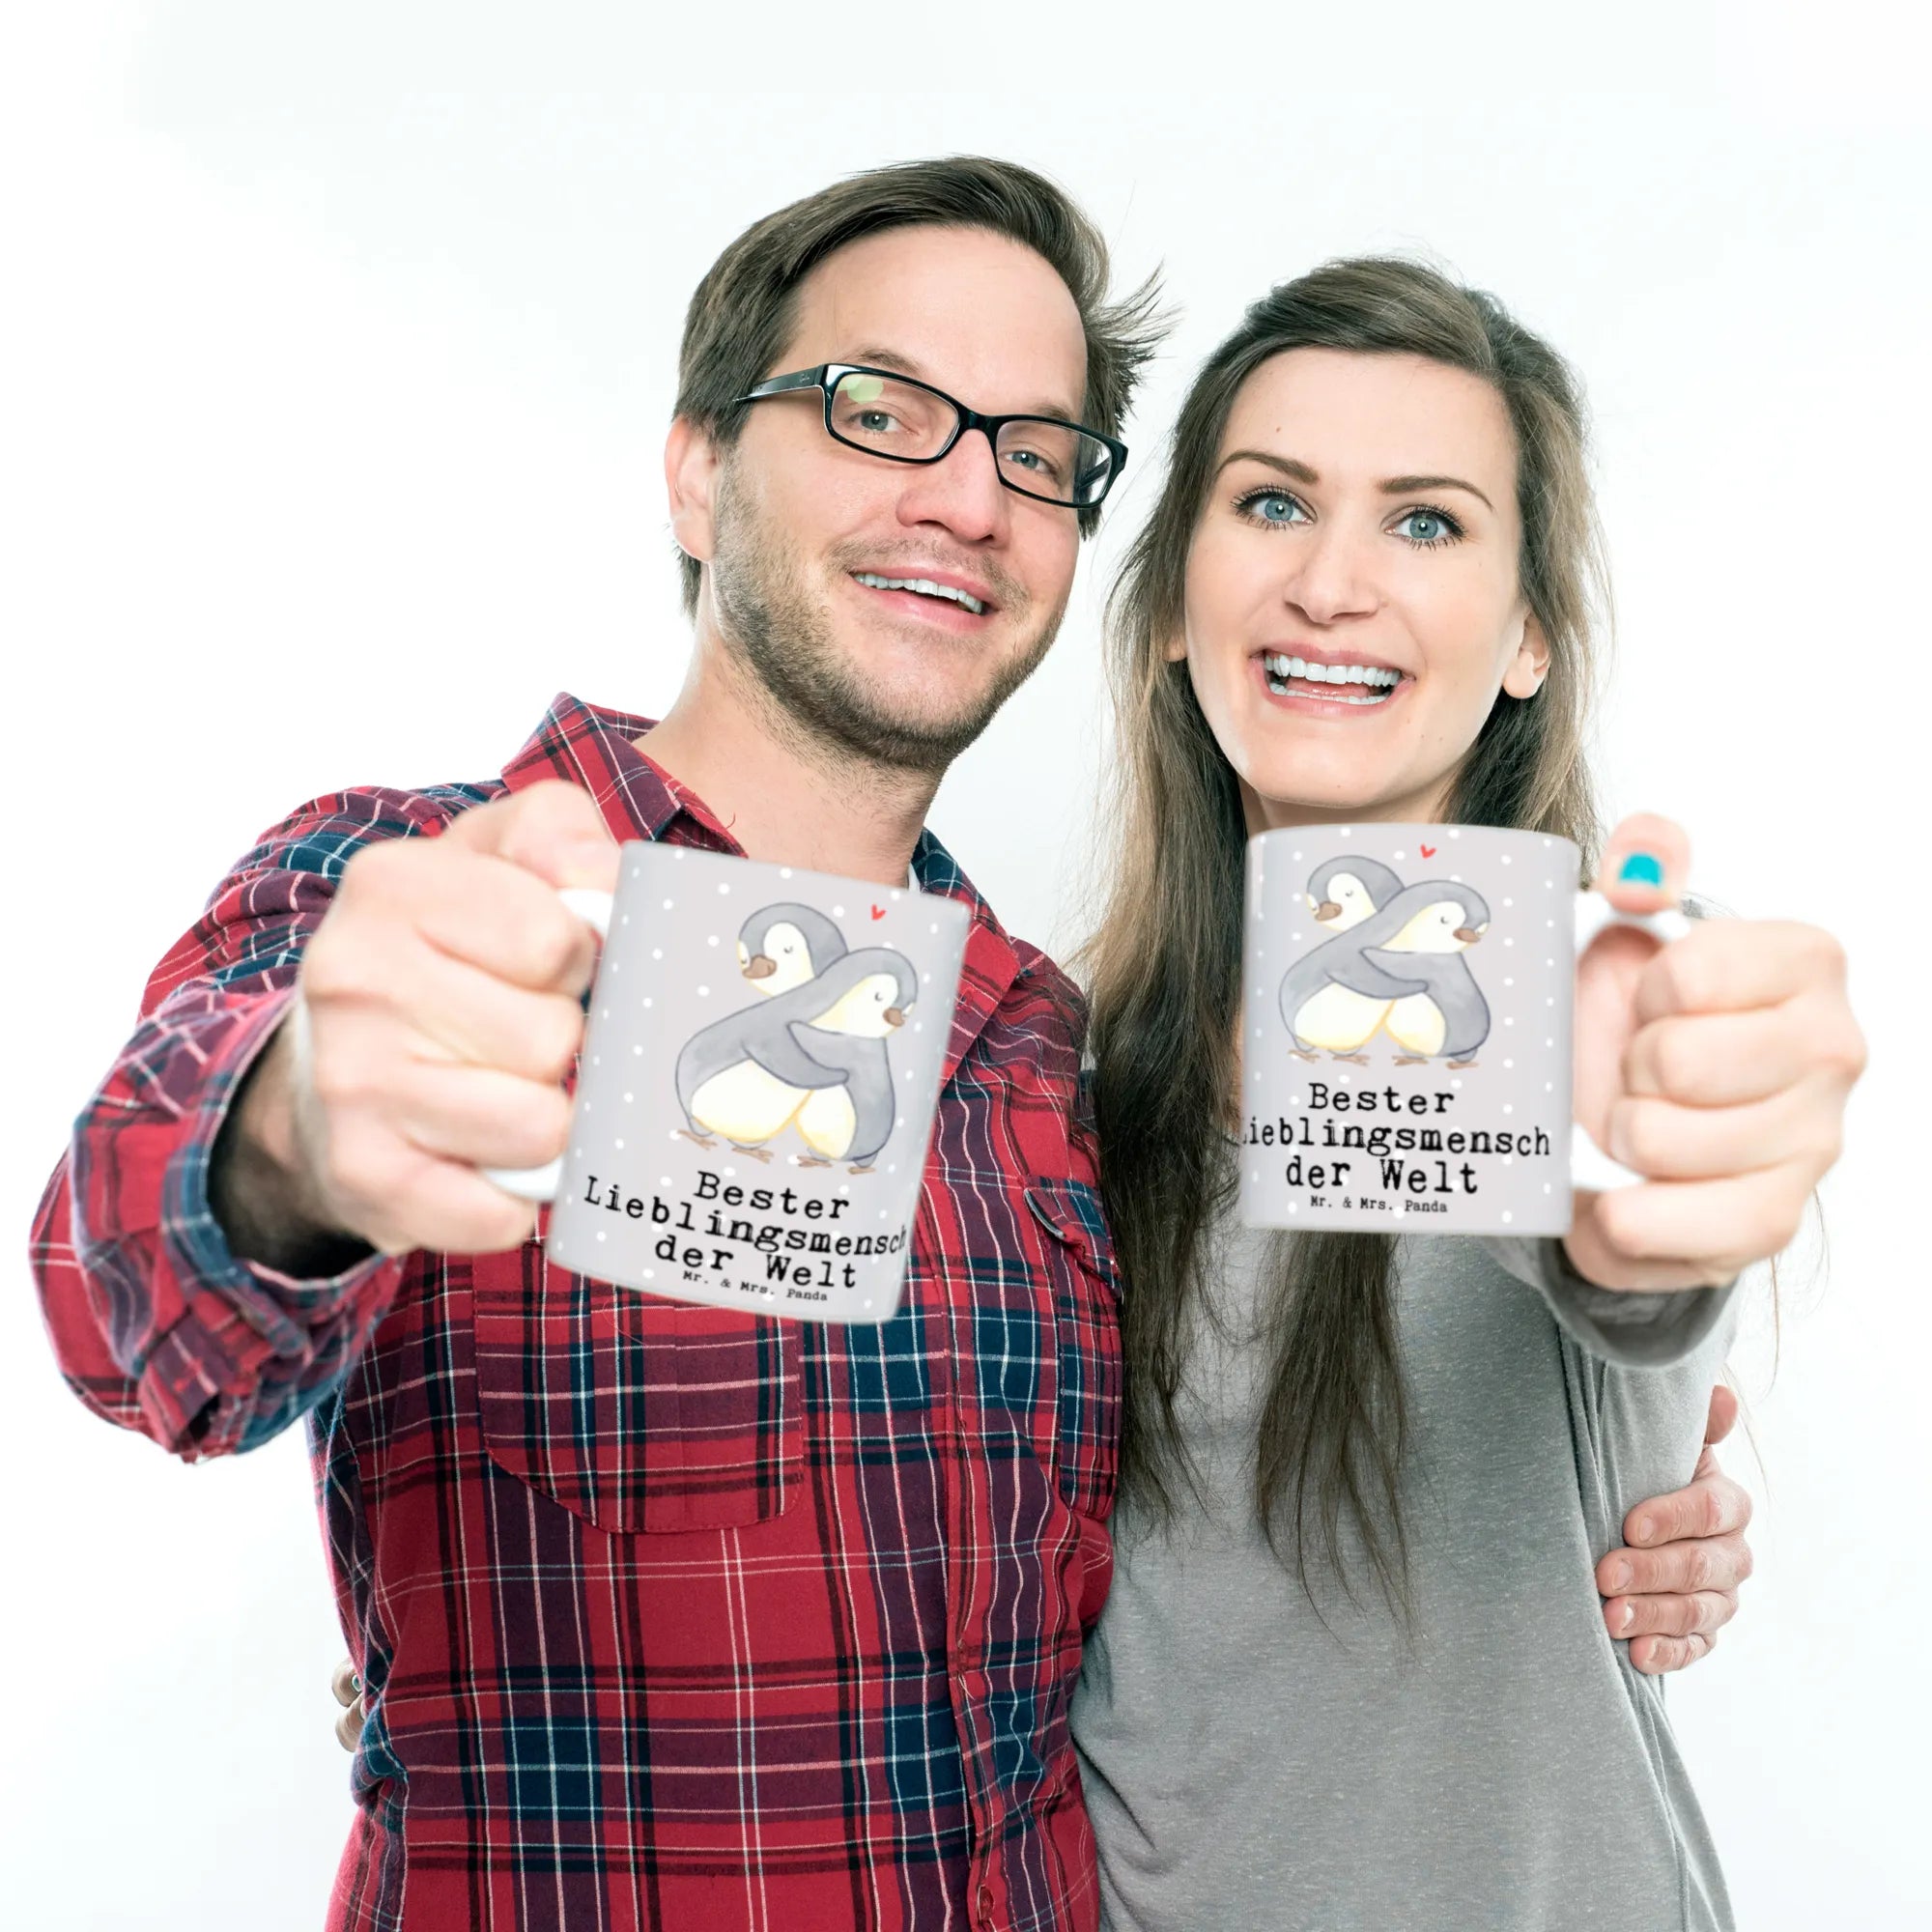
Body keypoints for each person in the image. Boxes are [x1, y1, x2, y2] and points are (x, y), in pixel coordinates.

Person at [35, 156, 1760, 1932]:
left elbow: (1581, 1261)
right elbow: (123, 1289)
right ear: (698, 467)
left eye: (1035, 451)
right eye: (881, 410)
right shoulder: (421, 893)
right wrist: (296, 1139)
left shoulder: (1042, 1054)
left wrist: (1644, 1405)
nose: (966, 496)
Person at [1070, 258, 1866, 1929]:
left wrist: (1667, 1181)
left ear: (1527, 639)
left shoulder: (1591, 1001)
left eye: (1426, 522)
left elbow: (1628, 1251)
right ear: (1170, 605)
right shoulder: (1059, 1079)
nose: (1332, 583)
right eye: (1272, 503)